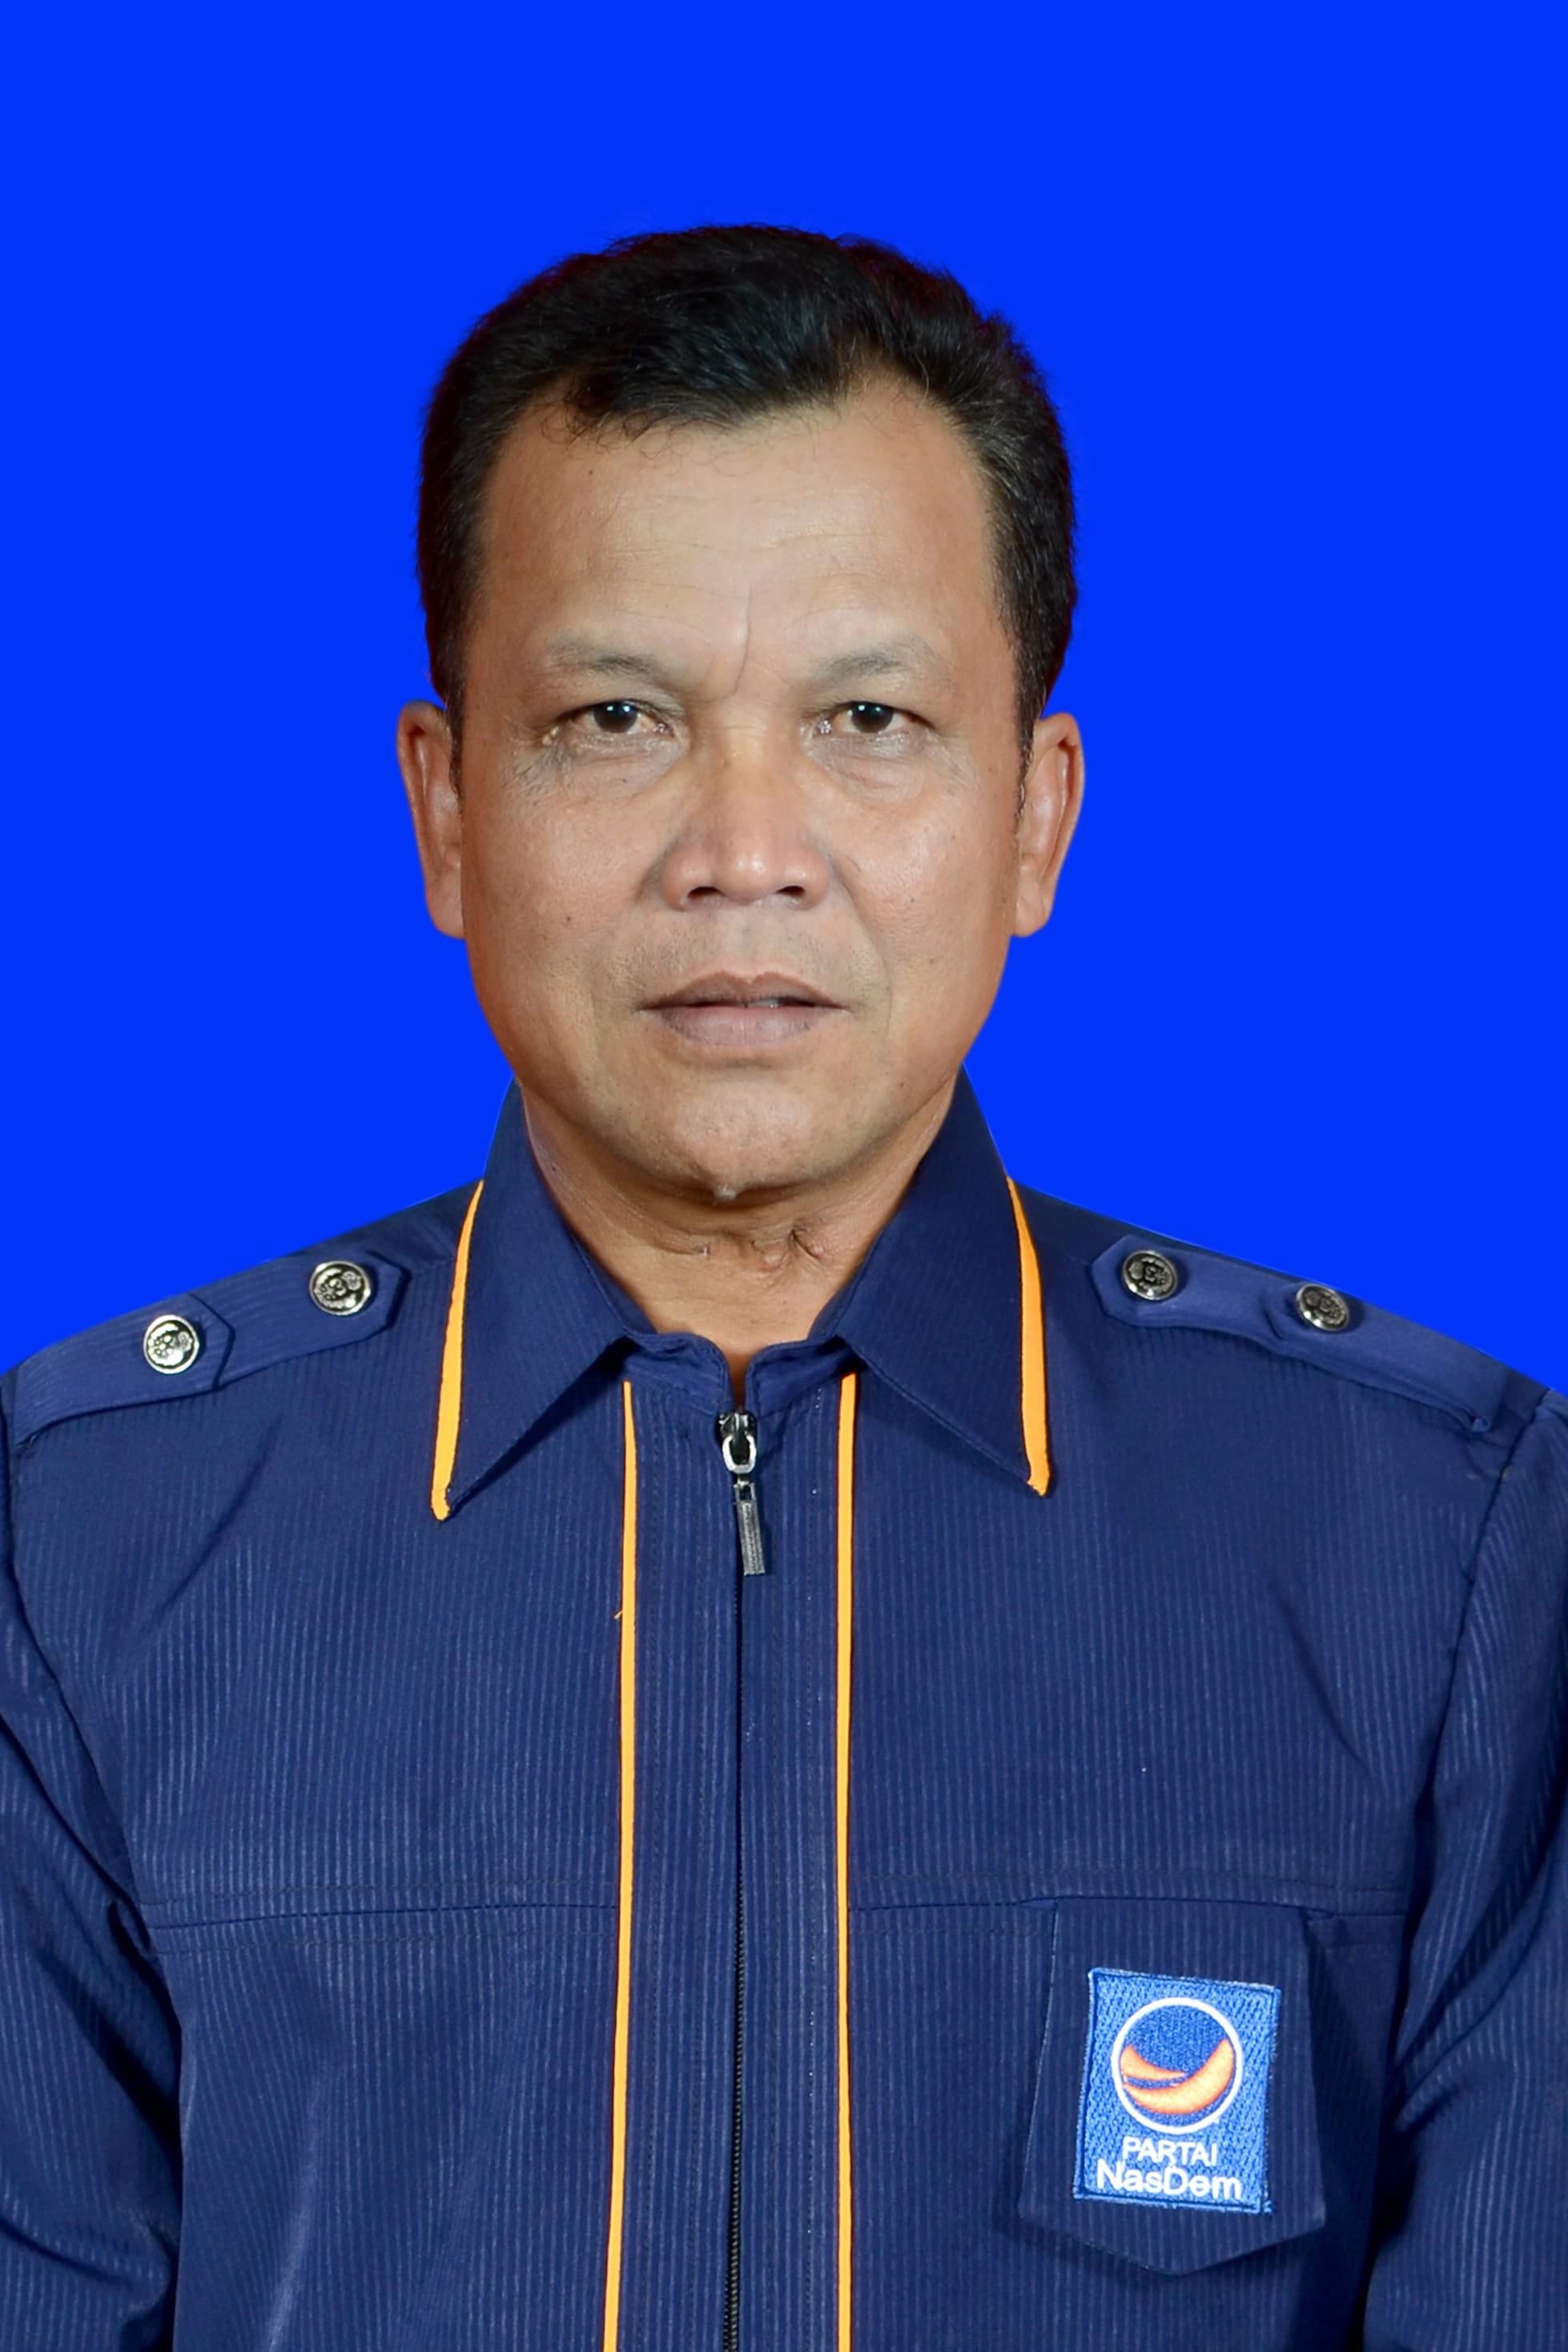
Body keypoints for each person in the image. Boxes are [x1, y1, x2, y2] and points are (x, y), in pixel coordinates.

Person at [1, 225, 1562, 2352]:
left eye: (869, 718)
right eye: (615, 717)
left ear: (1036, 815)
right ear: (446, 808)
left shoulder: (1441, 1551)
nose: (745, 849)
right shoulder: (85, 1544)